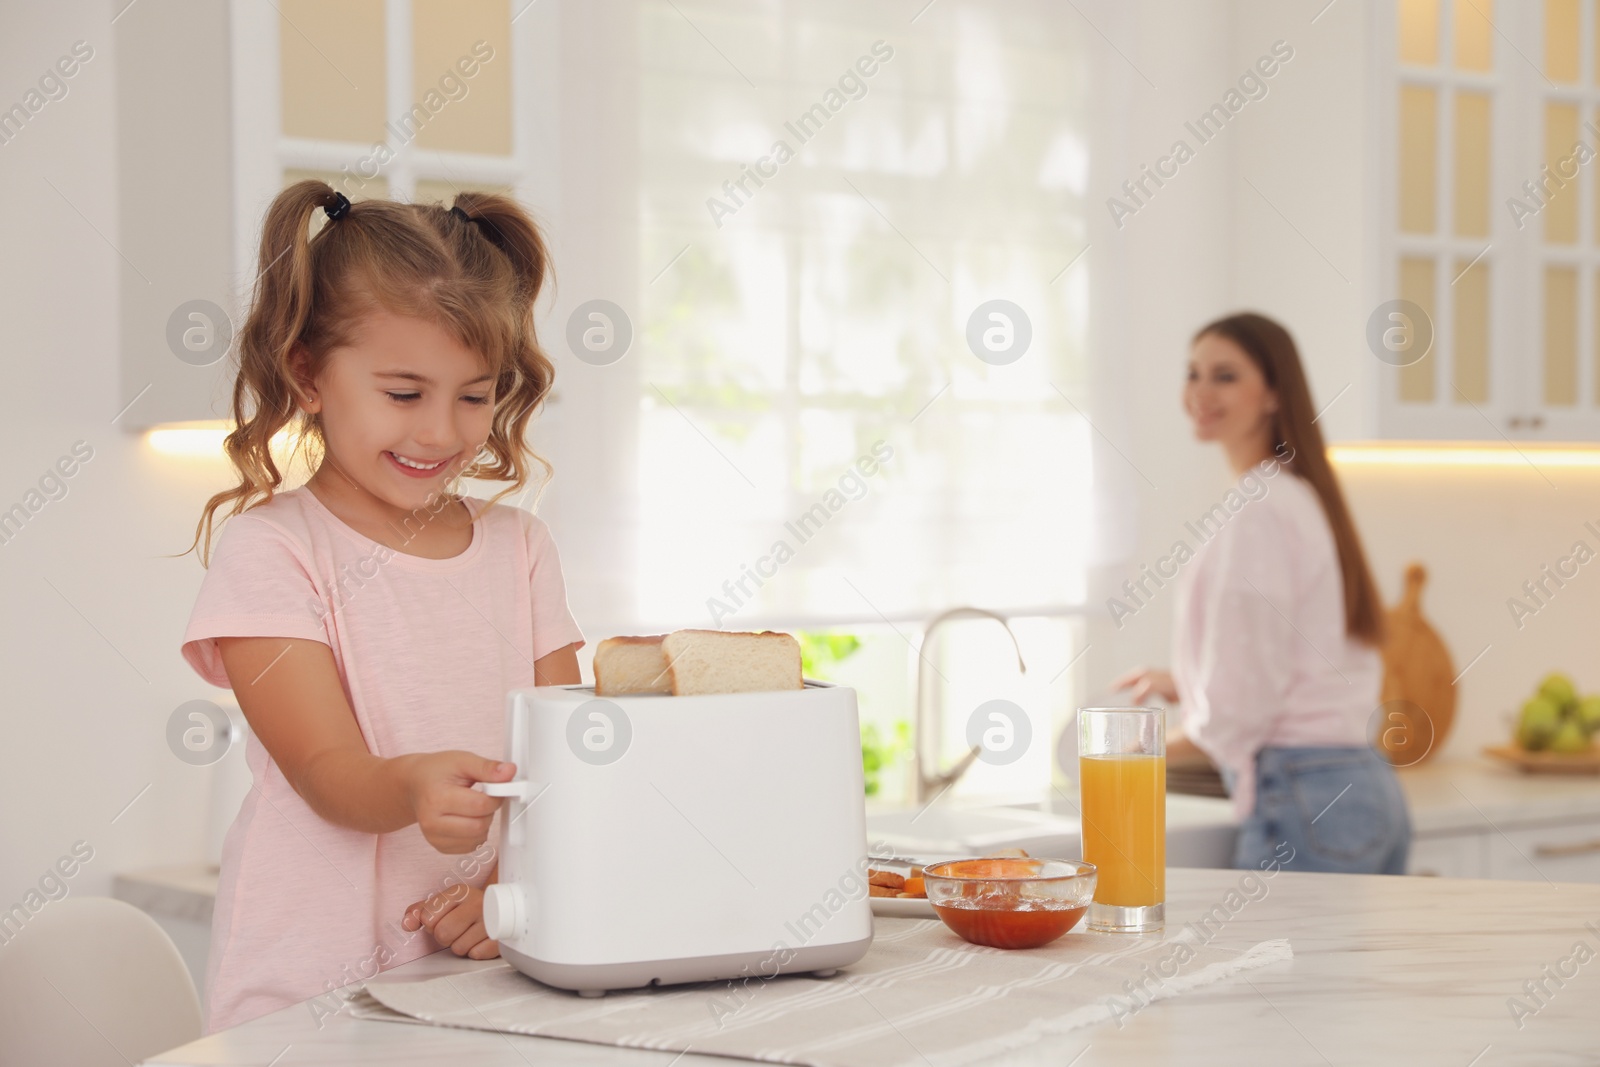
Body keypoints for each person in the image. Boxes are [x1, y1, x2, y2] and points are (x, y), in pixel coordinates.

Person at [179, 182, 584, 1032]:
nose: (441, 432)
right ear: (308, 373)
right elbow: (325, 770)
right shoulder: (276, 551)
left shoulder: (521, 547)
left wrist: (510, 888)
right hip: (312, 988)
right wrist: (409, 784)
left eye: (474, 396)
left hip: (484, 971)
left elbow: (564, 766)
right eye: (404, 393)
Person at [1115, 312, 1410, 875]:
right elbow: (1293, 659)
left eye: (1224, 376)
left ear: (1274, 393)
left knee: (1272, 968)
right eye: (1193, 372)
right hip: (1363, 790)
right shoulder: (1291, 495)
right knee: (1335, 969)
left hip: (1306, 796)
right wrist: (1187, 684)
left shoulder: (1256, 511)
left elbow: (1240, 711)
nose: (1200, 392)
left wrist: (1128, 753)